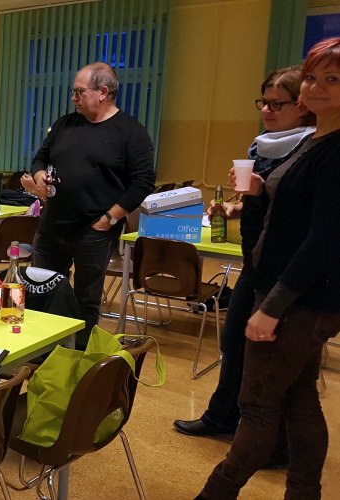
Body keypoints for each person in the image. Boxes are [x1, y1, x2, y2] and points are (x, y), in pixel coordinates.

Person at [198, 38, 340, 500]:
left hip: (298, 300)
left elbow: (323, 240)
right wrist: (259, 193)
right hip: (285, 290)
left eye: (332, 79)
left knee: (257, 406)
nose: (317, 87)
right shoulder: (314, 142)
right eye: (312, 77)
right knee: (300, 402)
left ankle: (215, 492)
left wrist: (272, 308)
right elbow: (290, 219)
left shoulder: (334, 151)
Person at [174, 67, 314, 458]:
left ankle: (274, 443)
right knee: (233, 339)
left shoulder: (311, 149)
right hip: (255, 259)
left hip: (285, 267)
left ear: (301, 106)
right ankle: (222, 416)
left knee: (275, 362)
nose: (267, 110)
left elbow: (300, 215)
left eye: (277, 104)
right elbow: (262, 203)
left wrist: (260, 193)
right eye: (263, 102)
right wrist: (237, 207)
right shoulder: (262, 146)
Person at [20, 62, 155, 349]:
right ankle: (40, 354)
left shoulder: (131, 132)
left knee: (86, 300)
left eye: (79, 92)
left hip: (94, 231)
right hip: (52, 226)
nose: (74, 98)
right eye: (73, 92)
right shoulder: (65, 124)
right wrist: (39, 175)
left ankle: (78, 357)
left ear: (103, 92)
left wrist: (109, 219)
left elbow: (143, 182)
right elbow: (40, 158)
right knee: (39, 290)